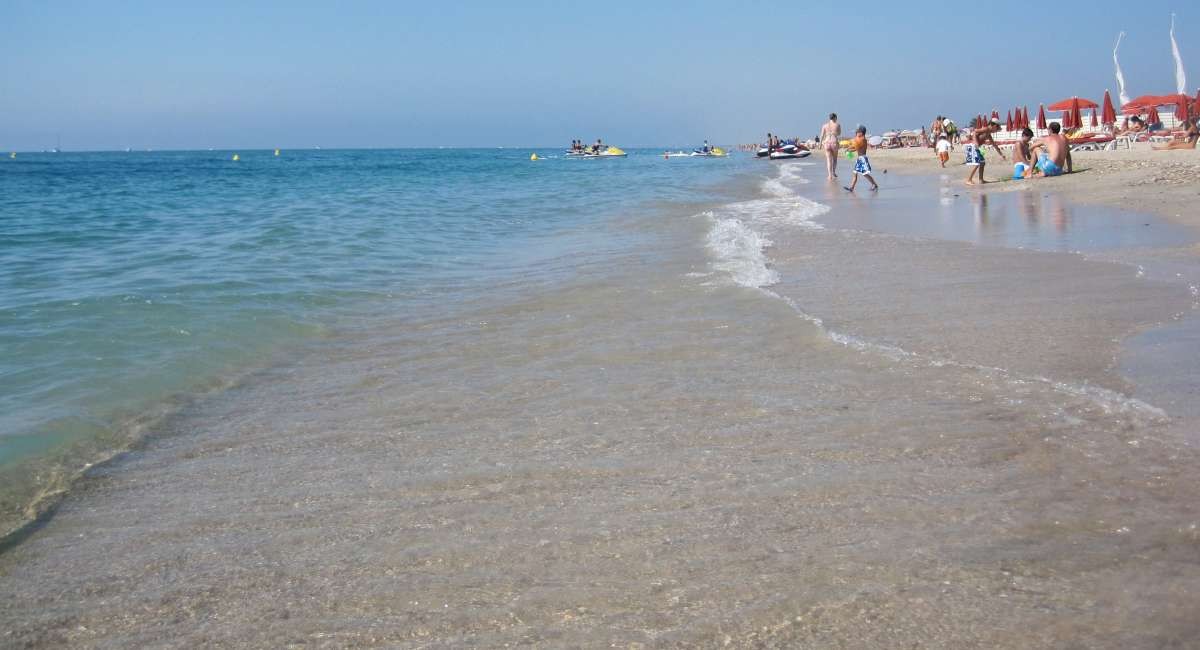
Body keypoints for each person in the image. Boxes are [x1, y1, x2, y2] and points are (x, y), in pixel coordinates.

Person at [964, 118, 1006, 184]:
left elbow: (994, 145)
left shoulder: (988, 134)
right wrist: (975, 142)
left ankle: (981, 180)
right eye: (997, 128)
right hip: (973, 146)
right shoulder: (985, 129)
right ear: (994, 126)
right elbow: (974, 132)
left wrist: (1001, 154)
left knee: (982, 163)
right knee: (977, 163)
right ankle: (969, 180)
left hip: (977, 148)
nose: (996, 130)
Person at [843, 126, 879, 192]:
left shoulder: (862, 139)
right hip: (859, 159)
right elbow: (856, 148)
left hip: (863, 159)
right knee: (855, 173)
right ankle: (851, 187)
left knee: (865, 173)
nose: (856, 133)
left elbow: (856, 147)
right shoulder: (860, 139)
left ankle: (874, 184)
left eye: (858, 132)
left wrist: (849, 149)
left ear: (861, 133)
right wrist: (849, 149)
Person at [820, 113, 842, 180]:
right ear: (835, 118)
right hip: (834, 142)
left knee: (829, 160)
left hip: (826, 142)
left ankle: (829, 175)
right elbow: (839, 133)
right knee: (835, 159)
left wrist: (820, 144)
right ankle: (833, 172)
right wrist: (834, 132)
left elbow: (821, 135)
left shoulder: (824, 125)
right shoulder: (837, 125)